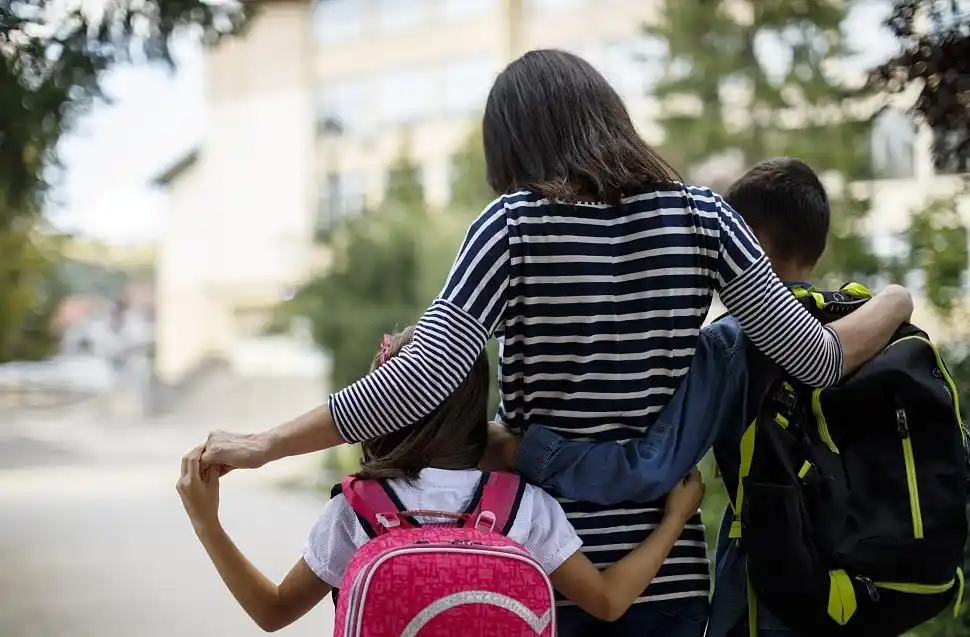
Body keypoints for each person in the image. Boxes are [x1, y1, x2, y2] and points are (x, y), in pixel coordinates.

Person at [199, 51, 912, 635]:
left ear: (512, 142)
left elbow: (419, 379)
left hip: (539, 566)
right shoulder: (704, 218)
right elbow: (817, 358)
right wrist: (895, 300)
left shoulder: (511, 225)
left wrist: (266, 444)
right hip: (669, 574)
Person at [484, 158, 878, 637]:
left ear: (745, 237)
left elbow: (652, 464)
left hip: (767, 584)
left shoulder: (733, 343)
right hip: (860, 582)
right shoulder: (862, 324)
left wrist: (519, 449)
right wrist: (897, 298)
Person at [177, 327, 706, 632]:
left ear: (380, 407)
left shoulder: (356, 510)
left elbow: (272, 613)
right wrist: (674, 520)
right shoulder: (522, 504)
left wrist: (207, 523)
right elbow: (609, 601)